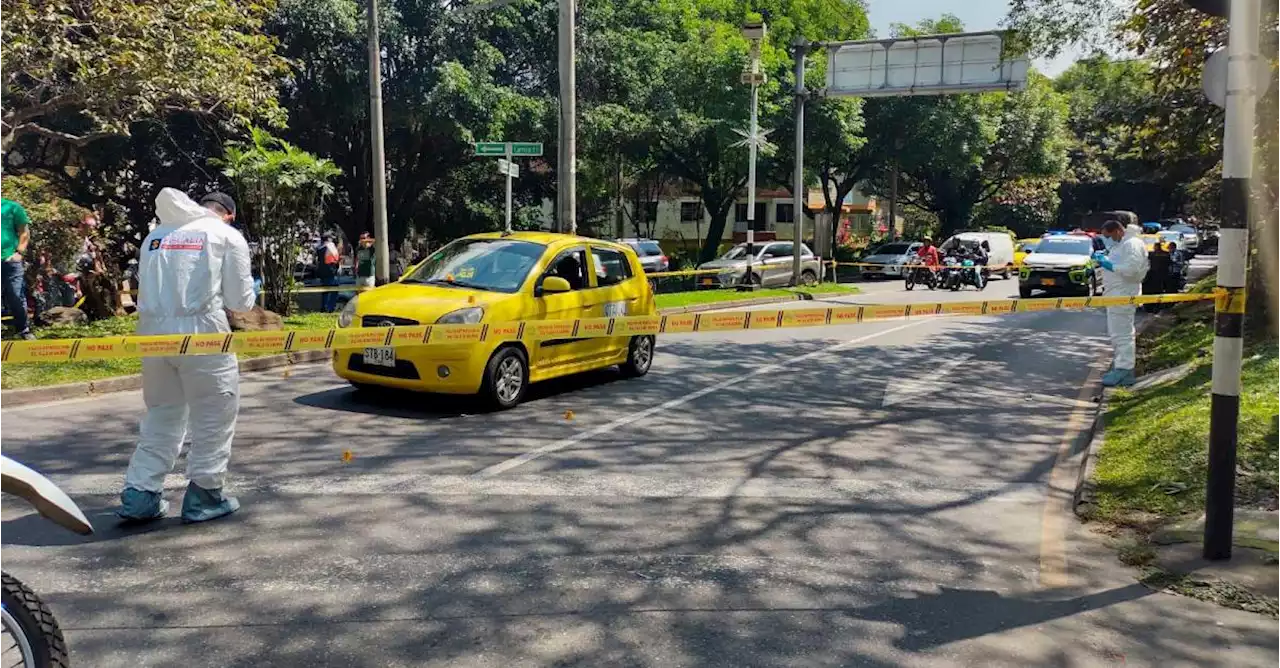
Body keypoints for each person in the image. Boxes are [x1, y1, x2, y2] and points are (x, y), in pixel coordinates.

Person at [117, 189, 256, 523]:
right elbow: (240, 303)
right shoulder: (226, 235)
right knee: (214, 414)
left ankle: (140, 495)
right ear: (228, 214)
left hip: (153, 336)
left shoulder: (155, 236)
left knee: (162, 414)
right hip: (204, 334)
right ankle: (204, 497)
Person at [1093, 221, 1150, 387]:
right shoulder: (1121, 244)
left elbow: (1131, 270)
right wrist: (1104, 258)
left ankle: (1125, 371)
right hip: (1115, 295)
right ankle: (1121, 367)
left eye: (1108, 236)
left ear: (1118, 231)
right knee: (1117, 334)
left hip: (1123, 295)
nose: (1107, 240)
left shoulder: (1132, 244)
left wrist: (1108, 264)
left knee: (1123, 334)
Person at [0, 195, 34, 340]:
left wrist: (19, 252)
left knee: (15, 294)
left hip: (10, 259)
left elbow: (24, 232)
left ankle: (23, 330)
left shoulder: (13, 207)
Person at [315, 232, 341, 312]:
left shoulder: (319, 248)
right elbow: (336, 258)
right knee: (334, 290)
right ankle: (330, 308)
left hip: (322, 272)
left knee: (325, 290)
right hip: (331, 271)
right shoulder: (330, 246)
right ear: (329, 239)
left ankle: (324, 307)